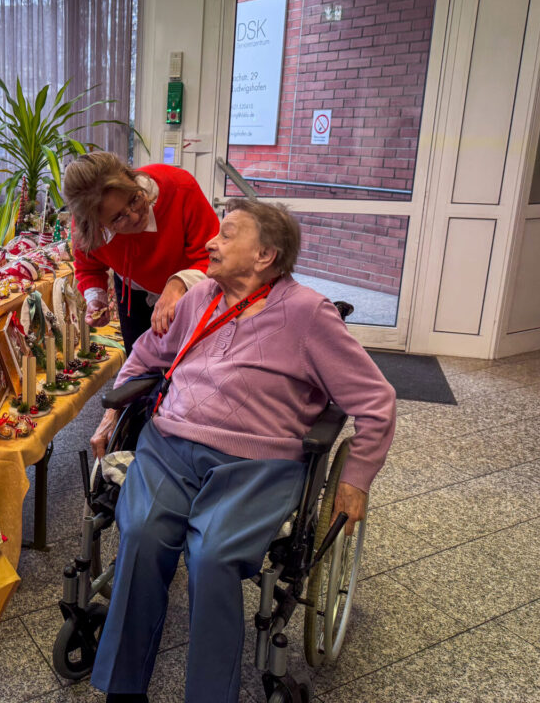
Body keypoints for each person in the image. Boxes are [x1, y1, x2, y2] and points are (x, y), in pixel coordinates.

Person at [88, 199, 396, 703]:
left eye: (227, 235)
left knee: (213, 557)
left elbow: (375, 401)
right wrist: (109, 413)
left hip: (257, 463)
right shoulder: (200, 297)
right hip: (169, 446)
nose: (211, 242)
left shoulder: (307, 314)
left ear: (264, 255)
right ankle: (123, 689)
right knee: (141, 534)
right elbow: (147, 353)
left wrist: (355, 478)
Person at [62, 152, 220, 354]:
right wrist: (96, 299)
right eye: (118, 218)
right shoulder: (87, 230)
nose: (135, 215)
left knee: (189, 361)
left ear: (132, 180)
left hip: (193, 285)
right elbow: (90, 268)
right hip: (133, 290)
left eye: (134, 199)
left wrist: (178, 284)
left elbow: (212, 257)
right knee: (140, 360)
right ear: (97, 225)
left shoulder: (179, 187)